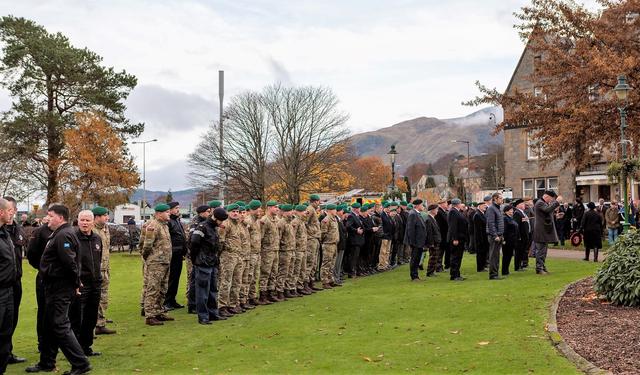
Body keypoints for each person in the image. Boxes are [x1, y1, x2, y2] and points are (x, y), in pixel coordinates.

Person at [29, 204, 91, 374]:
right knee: (48, 324)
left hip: (60, 288)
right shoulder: (60, 233)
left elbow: (70, 264)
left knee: (60, 324)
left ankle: (80, 363)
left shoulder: (64, 235)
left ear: (60, 218)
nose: (47, 218)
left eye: (50, 215)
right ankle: (47, 362)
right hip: (52, 286)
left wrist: (75, 283)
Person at [69, 210, 103, 356]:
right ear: (78, 221)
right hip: (81, 284)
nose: (84, 223)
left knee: (91, 317)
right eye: (82, 220)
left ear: (93, 222)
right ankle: (75, 351)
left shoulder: (97, 238)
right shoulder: (72, 238)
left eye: (87, 220)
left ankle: (86, 347)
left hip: (95, 283)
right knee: (77, 318)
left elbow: (99, 259)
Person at [189, 207, 228, 324]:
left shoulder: (213, 228)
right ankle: (203, 316)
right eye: (220, 220)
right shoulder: (202, 227)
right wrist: (196, 259)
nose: (221, 223)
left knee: (212, 290)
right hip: (203, 263)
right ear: (215, 218)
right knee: (202, 292)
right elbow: (193, 243)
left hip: (212, 263)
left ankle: (213, 313)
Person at [140, 204, 174, 326]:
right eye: (167, 212)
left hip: (165, 261)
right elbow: (147, 245)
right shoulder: (153, 225)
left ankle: (158, 311)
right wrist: (149, 258)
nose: (169, 213)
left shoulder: (164, 226)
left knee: (163, 289)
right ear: (159, 213)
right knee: (153, 288)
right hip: (156, 262)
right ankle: (150, 315)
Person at [2, 197, 25, 365]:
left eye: (12, 210)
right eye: (7, 210)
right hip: (2, 286)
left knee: (10, 322)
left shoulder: (15, 230)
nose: (10, 213)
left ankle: (6, 354)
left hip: (14, 283)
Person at [25, 215, 52, 360]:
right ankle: (42, 342)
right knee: (43, 310)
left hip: (59, 280)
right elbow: (31, 254)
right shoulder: (40, 232)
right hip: (43, 277)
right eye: (50, 215)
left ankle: (54, 342)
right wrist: (42, 269)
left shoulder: (62, 232)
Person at [218, 204, 246, 315]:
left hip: (238, 256)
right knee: (226, 281)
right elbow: (220, 241)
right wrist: (222, 254)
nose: (235, 213)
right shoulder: (225, 224)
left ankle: (233, 304)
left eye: (237, 211)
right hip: (228, 256)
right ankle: (222, 306)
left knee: (237, 281)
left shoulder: (238, 224)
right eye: (233, 211)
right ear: (228, 212)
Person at [92, 206, 116, 335]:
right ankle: (96, 323)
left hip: (105, 268)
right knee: (96, 296)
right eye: (105, 216)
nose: (107, 218)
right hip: (95, 269)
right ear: (97, 217)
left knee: (103, 296)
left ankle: (100, 320)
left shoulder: (105, 229)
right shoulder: (91, 230)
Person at [0, 198, 17, 374]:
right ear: (1, 213)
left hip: (9, 291)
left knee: (5, 335)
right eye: (9, 210)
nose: (11, 213)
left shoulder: (5, 233)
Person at [186, 205, 211, 314]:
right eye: (207, 211)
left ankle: (198, 303)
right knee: (195, 281)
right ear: (201, 212)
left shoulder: (206, 222)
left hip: (202, 256)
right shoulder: (196, 223)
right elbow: (192, 240)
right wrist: (194, 256)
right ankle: (192, 304)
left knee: (199, 281)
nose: (209, 213)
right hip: (196, 256)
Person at [533, 190, 562, 275]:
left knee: (543, 251)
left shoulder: (542, 203)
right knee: (540, 251)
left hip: (544, 230)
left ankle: (542, 266)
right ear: (546, 196)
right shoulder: (540, 203)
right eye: (551, 199)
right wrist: (557, 202)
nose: (551, 201)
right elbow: (547, 210)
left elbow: (546, 213)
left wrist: (555, 215)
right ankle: (539, 268)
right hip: (541, 230)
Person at [165, 202, 186, 310]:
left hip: (178, 254)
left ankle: (172, 300)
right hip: (172, 253)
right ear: (170, 209)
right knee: (171, 278)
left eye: (178, 207)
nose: (178, 210)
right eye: (176, 208)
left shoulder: (176, 220)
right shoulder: (169, 222)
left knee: (176, 278)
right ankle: (167, 301)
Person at [258, 201, 280, 304]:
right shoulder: (264, 220)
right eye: (275, 207)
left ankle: (271, 293)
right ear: (269, 208)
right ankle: (263, 294)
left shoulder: (276, 219)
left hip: (275, 249)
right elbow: (260, 237)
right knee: (265, 273)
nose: (277, 209)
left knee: (274, 272)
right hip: (267, 251)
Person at [244, 200, 264, 305]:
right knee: (249, 276)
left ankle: (252, 296)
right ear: (251, 210)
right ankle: (246, 298)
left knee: (255, 276)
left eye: (259, 208)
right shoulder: (248, 221)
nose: (259, 211)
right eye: (256, 209)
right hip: (250, 253)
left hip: (257, 252)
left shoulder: (257, 221)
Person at [404, 199, 427, 281]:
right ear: (417, 205)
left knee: (417, 259)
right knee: (414, 259)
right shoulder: (413, 214)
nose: (423, 206)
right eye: (421, 205)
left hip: (419, 241)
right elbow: (410, 229)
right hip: (416, 242)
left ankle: (416, 275)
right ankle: (414, 276)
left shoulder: (417, 213)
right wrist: (412, 242)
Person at [447, 199, 468, 281]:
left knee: (458, 257)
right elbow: (453, 226)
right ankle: (454, 275)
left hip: (460, 238)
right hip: (456, 238)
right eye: (460, 203)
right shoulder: (453, 212)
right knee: (455, 257)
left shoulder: (457, 211)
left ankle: (457, 274)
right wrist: (455, 238)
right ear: (457, 204)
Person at [319, 204, 340, 288]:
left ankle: (330, 280)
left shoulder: (334, 219)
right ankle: (325, 281)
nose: (336, 211)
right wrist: (325, 241)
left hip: (334, 244)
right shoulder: (326, 220)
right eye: (334, 210)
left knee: (332, 263)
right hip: (328, 244)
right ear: (330, 210)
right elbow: (323, 233)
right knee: (326, 263)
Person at [485, 192, 504, 280]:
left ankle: (495, 273)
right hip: (494, 236)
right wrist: (495, 235)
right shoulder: (491, 209)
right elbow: (491, 223)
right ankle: (493, 275)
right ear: (495, 199)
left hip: (499, 235)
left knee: (496, 255)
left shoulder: (498, 208)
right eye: (500, 198)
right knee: (493, 256)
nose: (502, 199)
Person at [345, 203, 365, 278]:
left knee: (357, 256)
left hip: (358, 240)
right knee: (353, 257)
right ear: (355, 209)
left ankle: (357, 271)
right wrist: (356, 230)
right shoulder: (351, 216)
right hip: (354, 240)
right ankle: (351, 272)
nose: (360, 209)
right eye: (359, 208)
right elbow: (348, 226)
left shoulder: (357, 216)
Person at [512, 199, 531, 271]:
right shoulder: (517, 213)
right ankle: (517, 267)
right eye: (522, 204)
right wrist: (518, 236)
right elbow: (516, 226)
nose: (524, 205)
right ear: (518, 205)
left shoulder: (522, 212)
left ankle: (521, 265)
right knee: (518, 252)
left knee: (522, 251)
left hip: (525, 235)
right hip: (521, 237)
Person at [473, 196, 490, 272]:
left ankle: (483, 266)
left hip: (484, 236)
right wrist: (480, 239)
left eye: (485, 206)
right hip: (480, 237)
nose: (485, 207)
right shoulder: (477, 215)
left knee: (484, 253)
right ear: (479, 207)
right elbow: (478, 229)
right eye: (483, 206)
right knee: (480, 253)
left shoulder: (483, 214)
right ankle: (480, 268)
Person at [424, 204, 442, 277]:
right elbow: (429, 233)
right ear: (432, 210)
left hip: (436, 240)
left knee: (435, 256)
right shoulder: (429, 219)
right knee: (433, 257)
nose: (437, 211)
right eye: (436, 209)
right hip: (433, 242)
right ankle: (430, 272)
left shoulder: (433, 218)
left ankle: (432, 271)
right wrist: (431, 243)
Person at [502, 205, 518, 276]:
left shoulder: (511, 218)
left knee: (509, 255)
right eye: (511, 210)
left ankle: (506, 270)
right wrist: (504, 239)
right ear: (506, 211)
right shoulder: (505, 218)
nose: (512, 211)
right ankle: (504, 271)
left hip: (512, 239)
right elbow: (504, 230)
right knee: (506, 255)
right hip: (507, 240)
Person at [435, 200, 449, 272]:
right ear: (442, 204)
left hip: (444, 235)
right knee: (439, 252)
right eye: (446, 203)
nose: (447, 204)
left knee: (441, 252)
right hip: (441, 235)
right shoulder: (439, 212)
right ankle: (438, 267)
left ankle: (440, 266)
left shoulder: (443, 212)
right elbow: (439, 226)